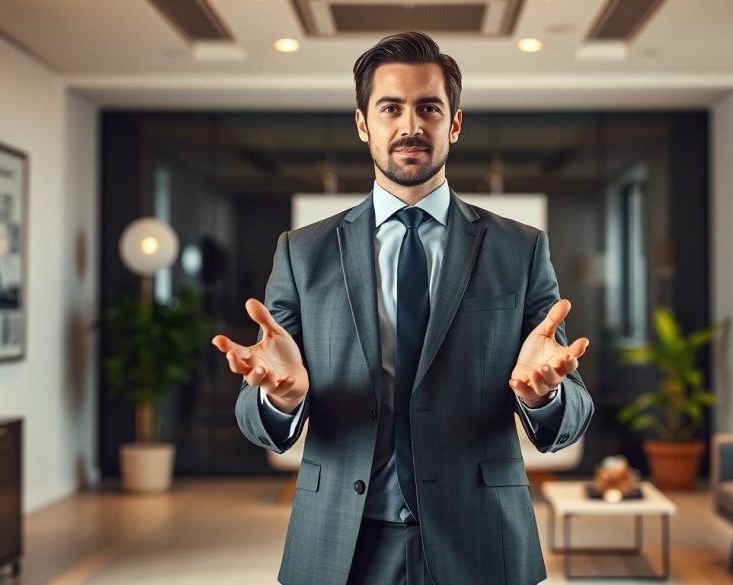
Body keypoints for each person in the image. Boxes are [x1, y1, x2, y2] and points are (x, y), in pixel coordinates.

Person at [212, 31, 594, 585]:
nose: (410, 125)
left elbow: (572, 414)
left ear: (454, 124)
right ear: (364, 122)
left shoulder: (521, 249)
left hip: (481, 537)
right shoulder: (302, 252)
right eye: (390, 107)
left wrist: (546, 395)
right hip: (342, 541)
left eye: (429, 108)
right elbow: (256, 419)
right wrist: (278, 398)